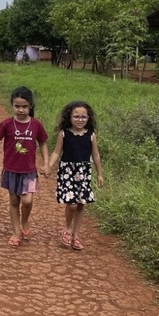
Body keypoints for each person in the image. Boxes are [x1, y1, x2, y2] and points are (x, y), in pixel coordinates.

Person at [0, 86, 49, 248]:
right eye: (17, 106)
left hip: (29, 171)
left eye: (24, 106)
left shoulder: (36, 125)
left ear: (30, 106)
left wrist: (46, 163)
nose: (21, 110)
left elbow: (43, 143)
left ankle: (25, 220)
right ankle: (16, 232)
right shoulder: (6, 124)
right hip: (11, 170)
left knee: (28, 201)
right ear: (12, 105)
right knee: (14, 200)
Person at [46, 100, 103, 251]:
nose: (80, 120)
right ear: (69, 117)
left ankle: (75, 235)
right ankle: (67, 229)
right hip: (68, 172)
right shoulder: (64, 134)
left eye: (83, 117)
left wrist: (100, 174)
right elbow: (57, 152)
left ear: (88, 118)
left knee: (80, 204)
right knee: (71, 205)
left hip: (84, 172)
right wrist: (49, 166)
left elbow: (96, 155)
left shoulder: (91, 135)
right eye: (76, 116)